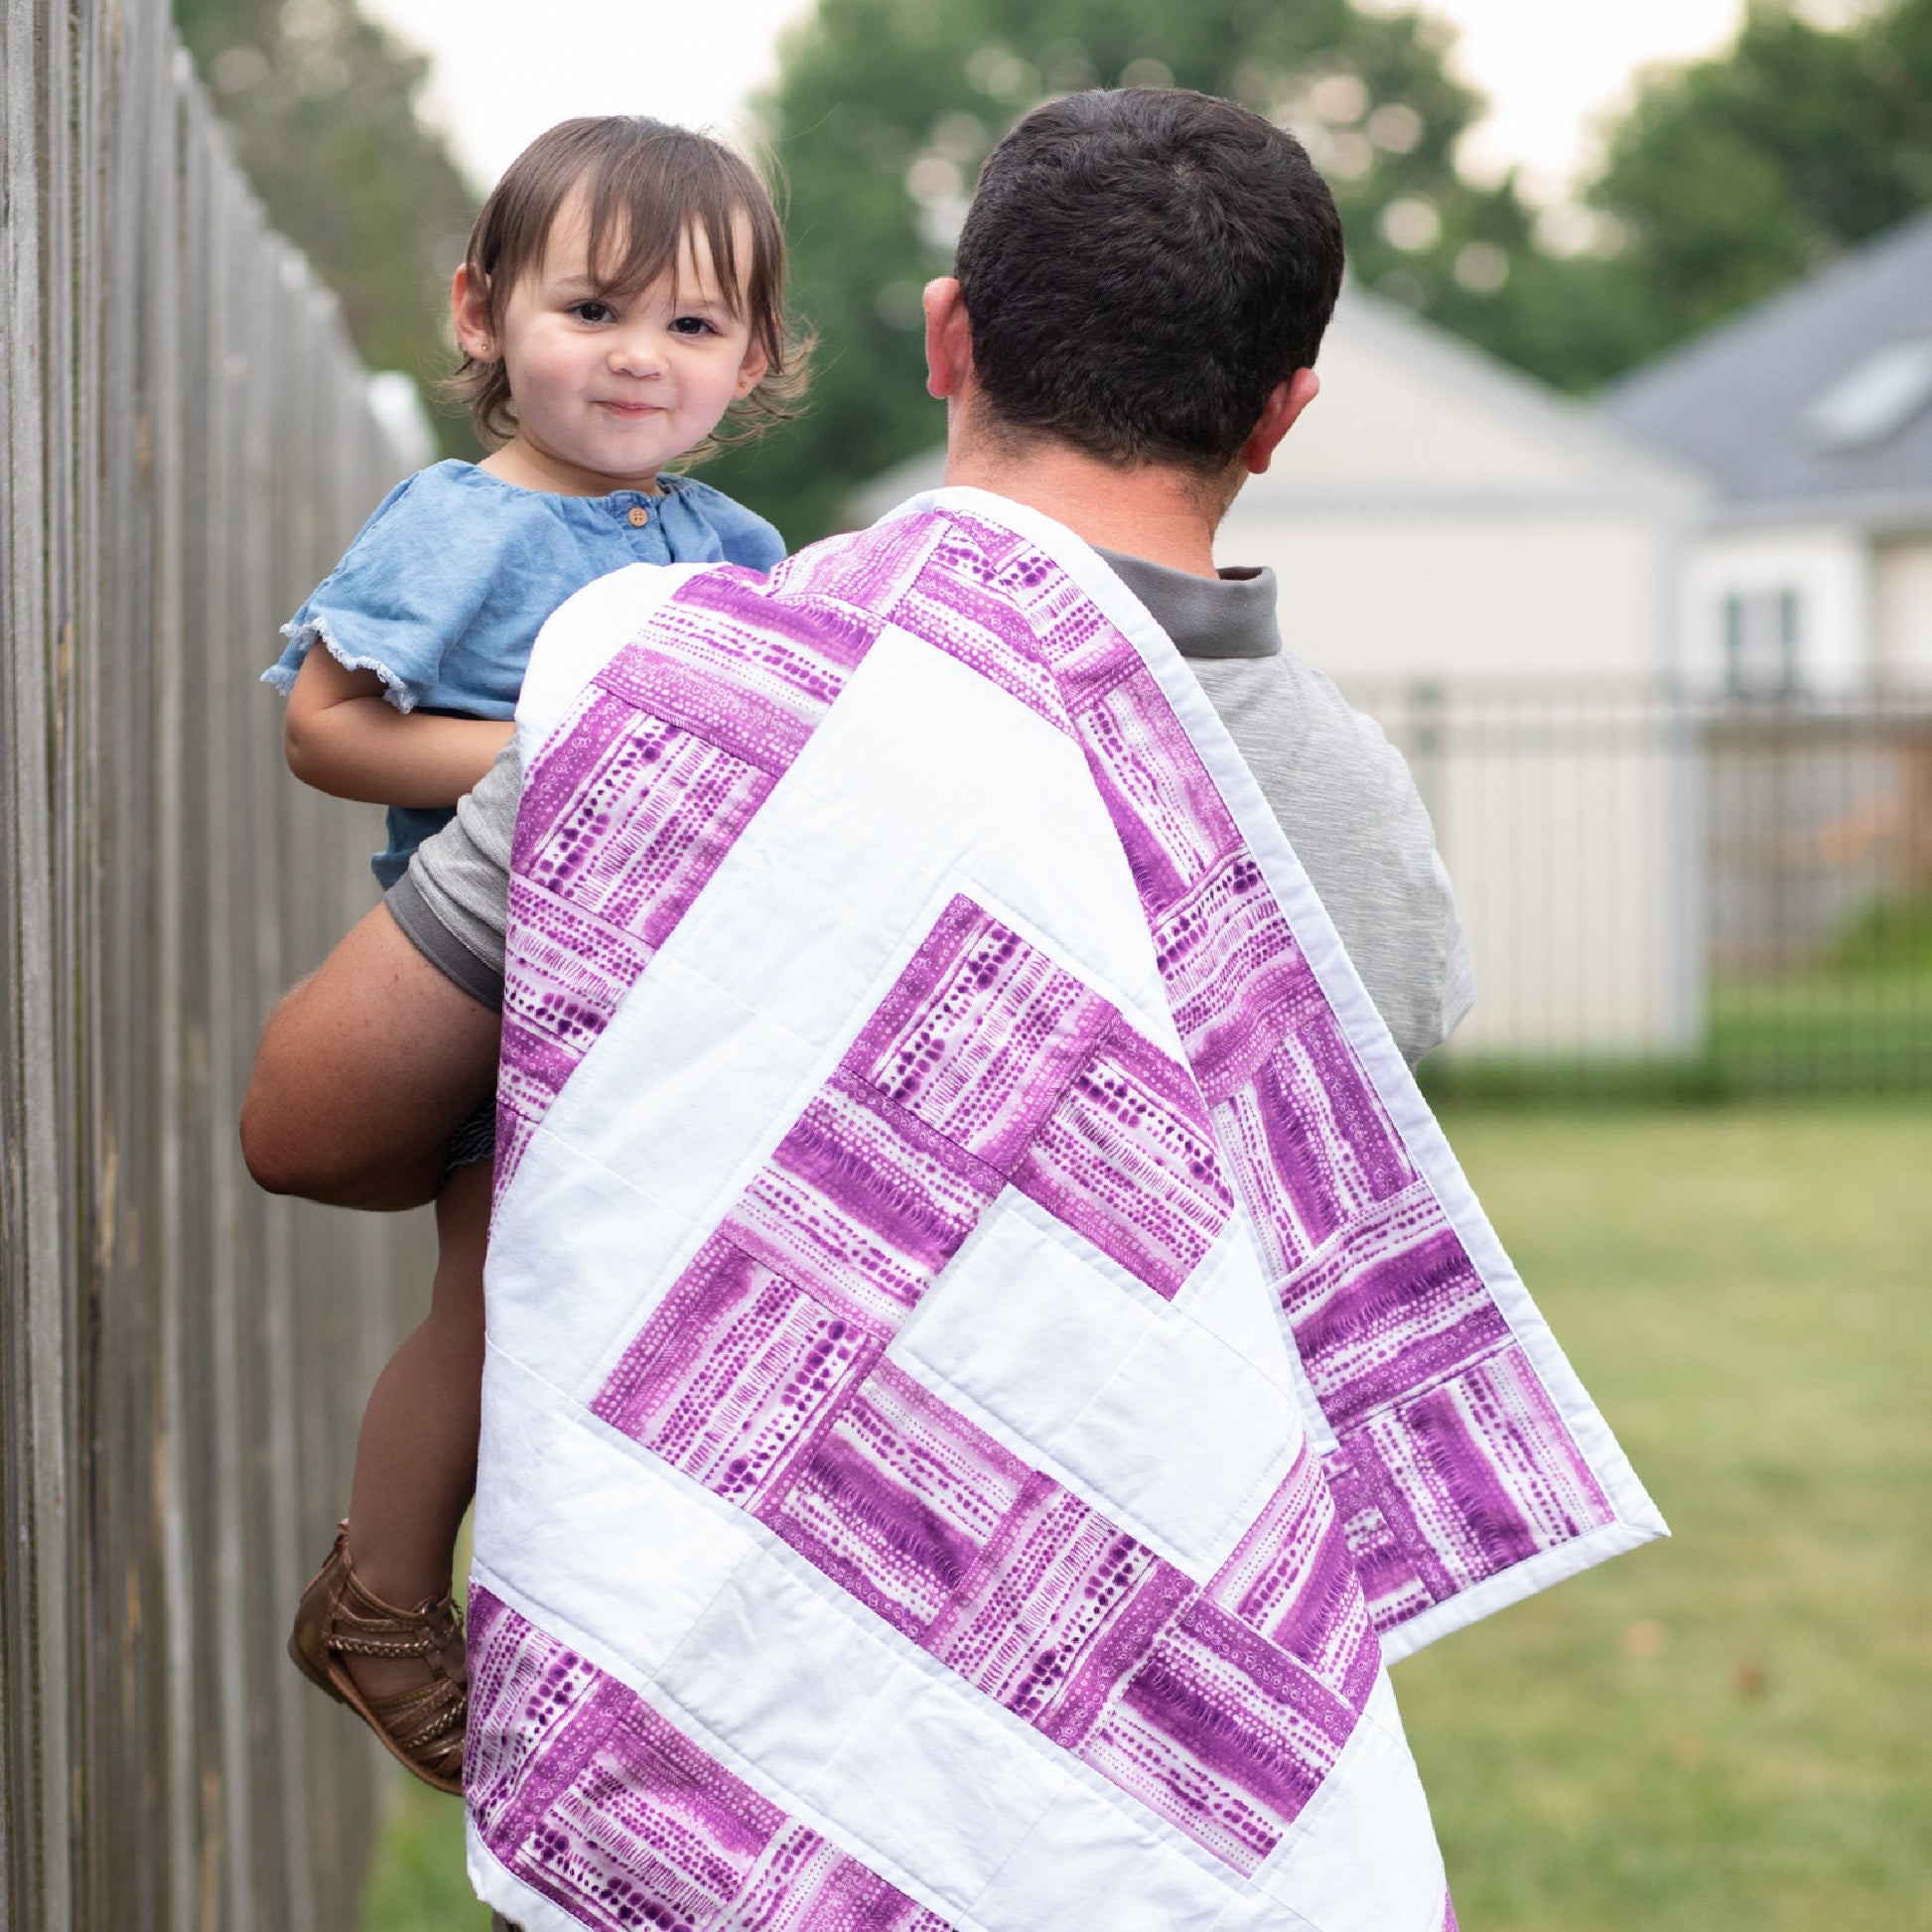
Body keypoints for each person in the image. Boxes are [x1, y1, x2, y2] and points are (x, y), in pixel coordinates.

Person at [247, 88, 1658, 1931]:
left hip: (699, 1722)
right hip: (1135, 1759)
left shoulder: (706, 686)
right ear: (1283, 411)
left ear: (946, 338)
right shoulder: (1348, 830)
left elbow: (310, 1121)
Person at [260, 113, 805, 1793]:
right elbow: (325, 725)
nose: (639, 357)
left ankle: (643, 1647)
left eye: (692, 324)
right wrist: (558, 747)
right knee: (496, 1301)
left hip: (677, 1015)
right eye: (591, 309)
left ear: (757, 358)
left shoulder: (739, 553)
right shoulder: (465, 519)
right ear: (482, 315)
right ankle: (378, 1597)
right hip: (510, 989)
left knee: (657, 1333)